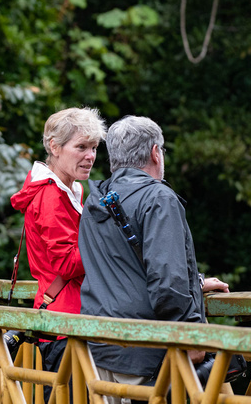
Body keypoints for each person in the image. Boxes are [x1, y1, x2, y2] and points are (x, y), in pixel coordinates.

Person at [78, 115, 228, 403]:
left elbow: (124, 270)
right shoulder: (158, 198)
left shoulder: (96, 200)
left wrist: (195, 283)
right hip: (145, 348)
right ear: (155, 152)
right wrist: (191, 333)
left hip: (98, 346)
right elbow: (167, 283)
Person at [10, 107, 107, 402]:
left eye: (93, 147)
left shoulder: (70, 188)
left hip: (72, 316)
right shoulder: (51, 195)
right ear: (54, 147)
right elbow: (65, 262)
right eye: (81, 147)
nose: (90, 155)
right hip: (65, 322)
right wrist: (106, 245)